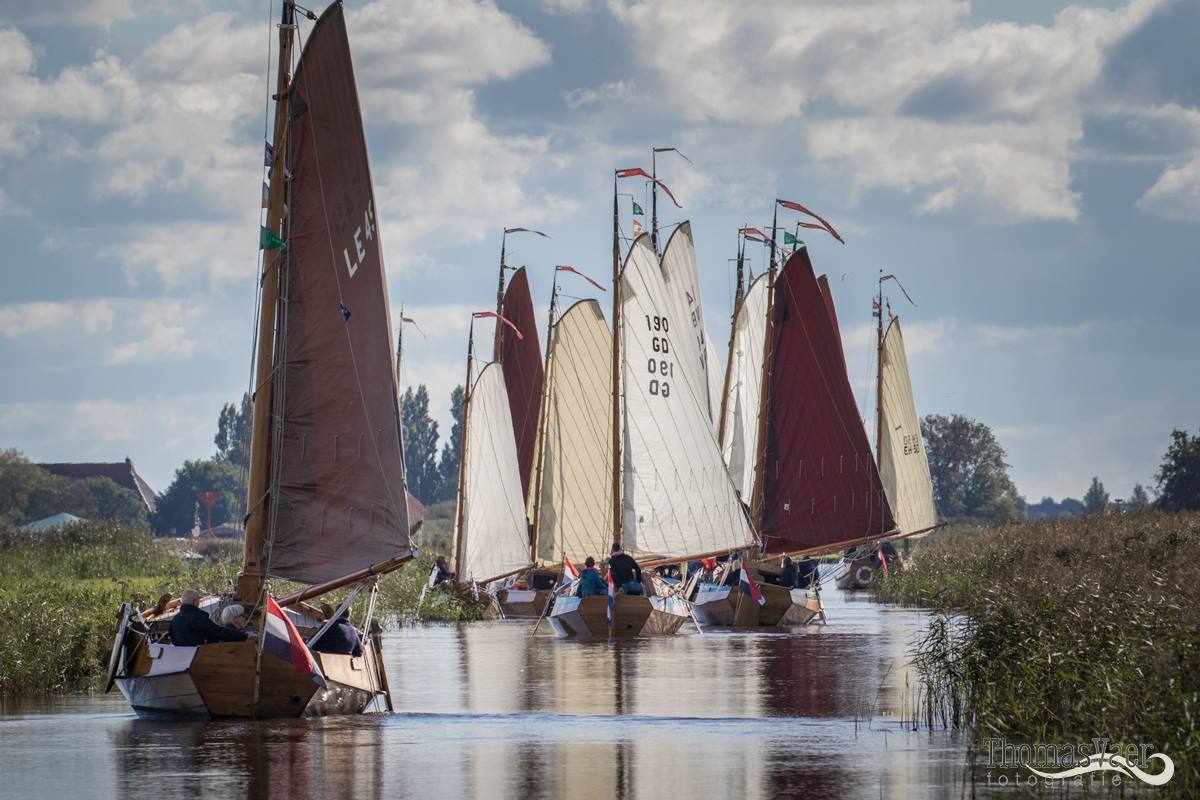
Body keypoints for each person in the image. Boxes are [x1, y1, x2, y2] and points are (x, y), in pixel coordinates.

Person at [169, 589, 248, 647]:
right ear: (194, 601)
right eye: (198, 601)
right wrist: (243, 636)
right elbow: (216, 632)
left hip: (183, 661)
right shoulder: (198, 618)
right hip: (199, 659)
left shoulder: (174, 620)